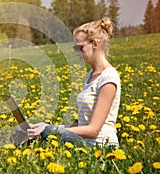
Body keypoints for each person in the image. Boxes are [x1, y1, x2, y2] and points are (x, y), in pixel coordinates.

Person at [26, 17, 121, 148]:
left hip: (101, 146)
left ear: (95, 44)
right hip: (84, 141)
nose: (76, 53)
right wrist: (48, 126)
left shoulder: (108, 78)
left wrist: (51, 130)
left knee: (47, 133)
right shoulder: (90, 76)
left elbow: (93, 130)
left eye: (79, 47)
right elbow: (83, 124)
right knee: (29, 131)